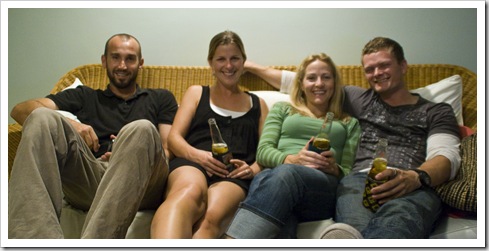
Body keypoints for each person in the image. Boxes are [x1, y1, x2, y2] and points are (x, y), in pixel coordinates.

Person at [243, 37, 461, 238]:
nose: (377, 73)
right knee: (353, 229)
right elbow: (305, 83)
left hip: (412, 183)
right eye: (370, 69)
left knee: (398, 219)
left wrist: (415, 177)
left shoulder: (436, 111)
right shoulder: (361, 99)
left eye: (384, 65)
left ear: (403, 66)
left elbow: (446, 155)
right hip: (358, 181)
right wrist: (250, 66)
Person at [8, 33, 178, 239]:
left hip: (144, 181)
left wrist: (126, 155)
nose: (122, 65)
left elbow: (167, 150)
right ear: (104, 61)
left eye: (130, 58)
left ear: (140, 63)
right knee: (41, 117)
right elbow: (20, 110)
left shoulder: (160, 98)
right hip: (92, 175)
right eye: (115, 57)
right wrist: (74, 125)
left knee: (141, 129)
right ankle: (35, 241)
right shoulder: (84, 96)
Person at [224, 53, 361, 239]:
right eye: (311, 78)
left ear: (335, 83)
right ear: (302, 84)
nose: (319, 83)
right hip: (276, 180)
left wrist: (334, 169)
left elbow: (348, 171)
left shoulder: (348, 122)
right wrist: (293, 159)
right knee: (279, 194)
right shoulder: (283, 109)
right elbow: (263, 152)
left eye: (326, 77)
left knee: (285, 174)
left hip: (321, 188)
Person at [150, 30, 268, 239]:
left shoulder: (259, 104)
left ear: (243, 62)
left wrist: (252, 169)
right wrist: (199, 156)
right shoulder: (196, 93)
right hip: (192, 162)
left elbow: (267, 152)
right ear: (211, 63)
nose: (228, 66)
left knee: (211, 216)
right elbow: (174, 139)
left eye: (235, 59)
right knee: (188, 192)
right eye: (221, 59)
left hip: (234, 175)